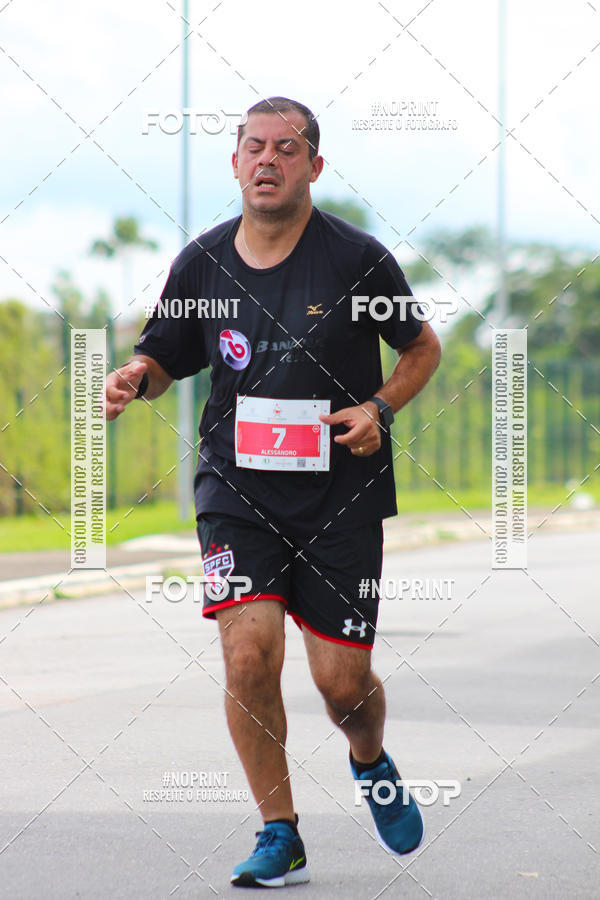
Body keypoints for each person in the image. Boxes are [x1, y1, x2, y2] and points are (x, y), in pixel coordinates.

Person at [105, 96, 441, 889]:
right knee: (248, 655)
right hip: (235, 493)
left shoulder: (357, 261)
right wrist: (135, 378)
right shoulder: (202, 262)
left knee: (342, 687)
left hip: (340, 500)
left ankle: (369, 758)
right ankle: (278, 832)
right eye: (253, 147)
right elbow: (166, 356)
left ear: (314, 167)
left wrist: (379, 407)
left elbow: (421, 347)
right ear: (234, 163)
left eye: (286, 149)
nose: (267, 161)